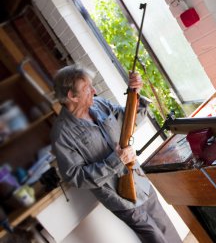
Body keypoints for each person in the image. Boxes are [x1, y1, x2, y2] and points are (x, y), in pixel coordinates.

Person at [50, 64, 181, 243]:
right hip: (122, 197)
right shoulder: (61, 133)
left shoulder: (101, 104)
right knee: (156, 239)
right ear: (71, 96)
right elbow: (76, 177)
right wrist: (115, 160)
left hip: (141, 182)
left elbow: (131, 119)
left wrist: (135, 94)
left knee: (169, 232)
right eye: (87, 88)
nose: (94, 90)